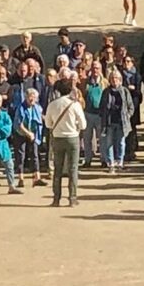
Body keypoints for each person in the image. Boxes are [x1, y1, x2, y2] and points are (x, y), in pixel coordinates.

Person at [44, 77, 88, 207]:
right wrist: (75, 126)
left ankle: (56, 198)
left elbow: (48, 124)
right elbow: (83, 125)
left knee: (57, 169)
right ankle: (72, 198)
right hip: (72, 138)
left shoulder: (52, 104)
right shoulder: (75, 104)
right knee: (73, 169)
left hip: (57, 138)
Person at [100, 68, 133, 172]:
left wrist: (127, 115)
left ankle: (120, 162)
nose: (114, 80)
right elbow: (102, 106)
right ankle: (111, 163)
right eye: (112, 78)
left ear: (120, 80)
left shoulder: (124, 91)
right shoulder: (106, 91)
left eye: (116, 78)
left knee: (121, 142)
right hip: (109, 121)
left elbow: (130, 106)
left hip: (121, 121)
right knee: (109, 143)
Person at [12, 86, 45, 186]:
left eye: (34, 97)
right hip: (21, 133)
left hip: (33, 133)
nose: (32, 99)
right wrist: (28, 133)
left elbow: (41, 118)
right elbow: (19, 124)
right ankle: (20, 179)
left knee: (35, 154)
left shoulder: (38, 108)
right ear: (26, 97)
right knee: (21, 155)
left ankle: (37, 178)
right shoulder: (20, 108)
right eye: (30, 97)